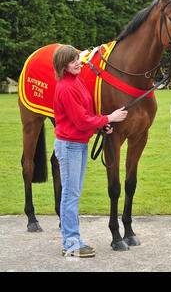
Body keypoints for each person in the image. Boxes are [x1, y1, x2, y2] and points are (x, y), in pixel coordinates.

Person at [53, 45, 128, 258]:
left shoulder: (76, 82)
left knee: (73, 192)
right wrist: (108, 118)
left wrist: (100, 126)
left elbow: (86, 114)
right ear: (62, 65)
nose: (78, 63)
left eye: (77, 59)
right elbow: (80, 119)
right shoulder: (66, 87)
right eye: (72, 61)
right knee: (70, 194)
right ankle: (71, 243)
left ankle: (71, 239)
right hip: (69, 146)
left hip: (78, 144)